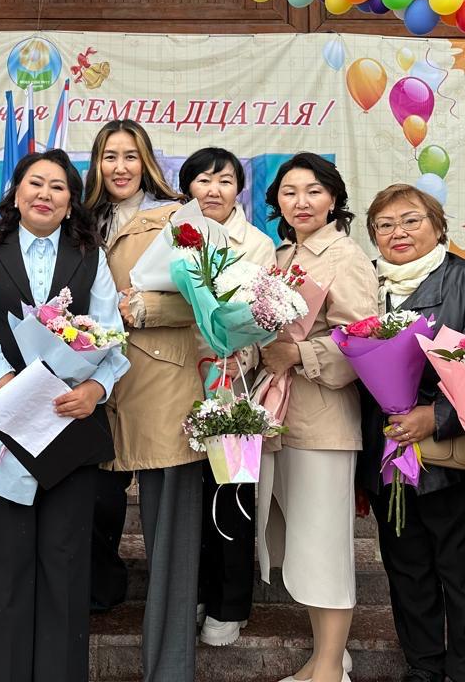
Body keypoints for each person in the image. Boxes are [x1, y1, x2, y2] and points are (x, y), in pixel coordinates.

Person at [0, 149, 130, 682]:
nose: (45, 194)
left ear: (71, 201)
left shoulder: (89, 255)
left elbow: (111, 333)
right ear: (16, 193)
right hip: (5, 422)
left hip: (69, 420)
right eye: (35, 183)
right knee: (5, 559)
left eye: (58, 186)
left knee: (65, 557)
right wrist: (4, 381)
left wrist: (96, 388)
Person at [356, 184, 465, 682]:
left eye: (411, 220)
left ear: (438, 227)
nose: (398, 232)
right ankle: (423, 668)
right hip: (385, 450)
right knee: (406, 571)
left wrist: (435, 417)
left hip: (447, 457)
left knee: (462, 573)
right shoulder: (366, 283)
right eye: (385, 225)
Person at [86, 119, 202, 682]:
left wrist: (144, 308)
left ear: (147, 161)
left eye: (130, 155)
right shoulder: (80, 221)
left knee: (171, 545)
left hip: (163, 387)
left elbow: (213, 300)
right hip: (93, 391)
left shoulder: (180, 218)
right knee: (87, 521)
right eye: (110, 156)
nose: (120, 167)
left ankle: (170, 671)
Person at [257, 152, 377, 682]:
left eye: (313, 191)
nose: (300, 201)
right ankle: (325, 656)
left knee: (324, 546)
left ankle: (329, 670)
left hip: (324, 422)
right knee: (301, 547)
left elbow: (364, 339)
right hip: (280, 416)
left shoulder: (345, 256)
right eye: (289, 192)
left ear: (333, 199)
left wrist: (299, 354)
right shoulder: (280, 257)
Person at [177, 147, 277, 649]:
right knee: (187, 499)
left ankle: (229, 604)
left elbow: (267, 314)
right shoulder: (173, 237)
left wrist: (244, 354)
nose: (213, 190)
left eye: (224, 181)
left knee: (231, 493)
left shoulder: (256, 244)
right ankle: (196, 591)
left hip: (229, 382)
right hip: (175, 381)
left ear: (239, 189)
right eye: (202, 180)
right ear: (187, 188)